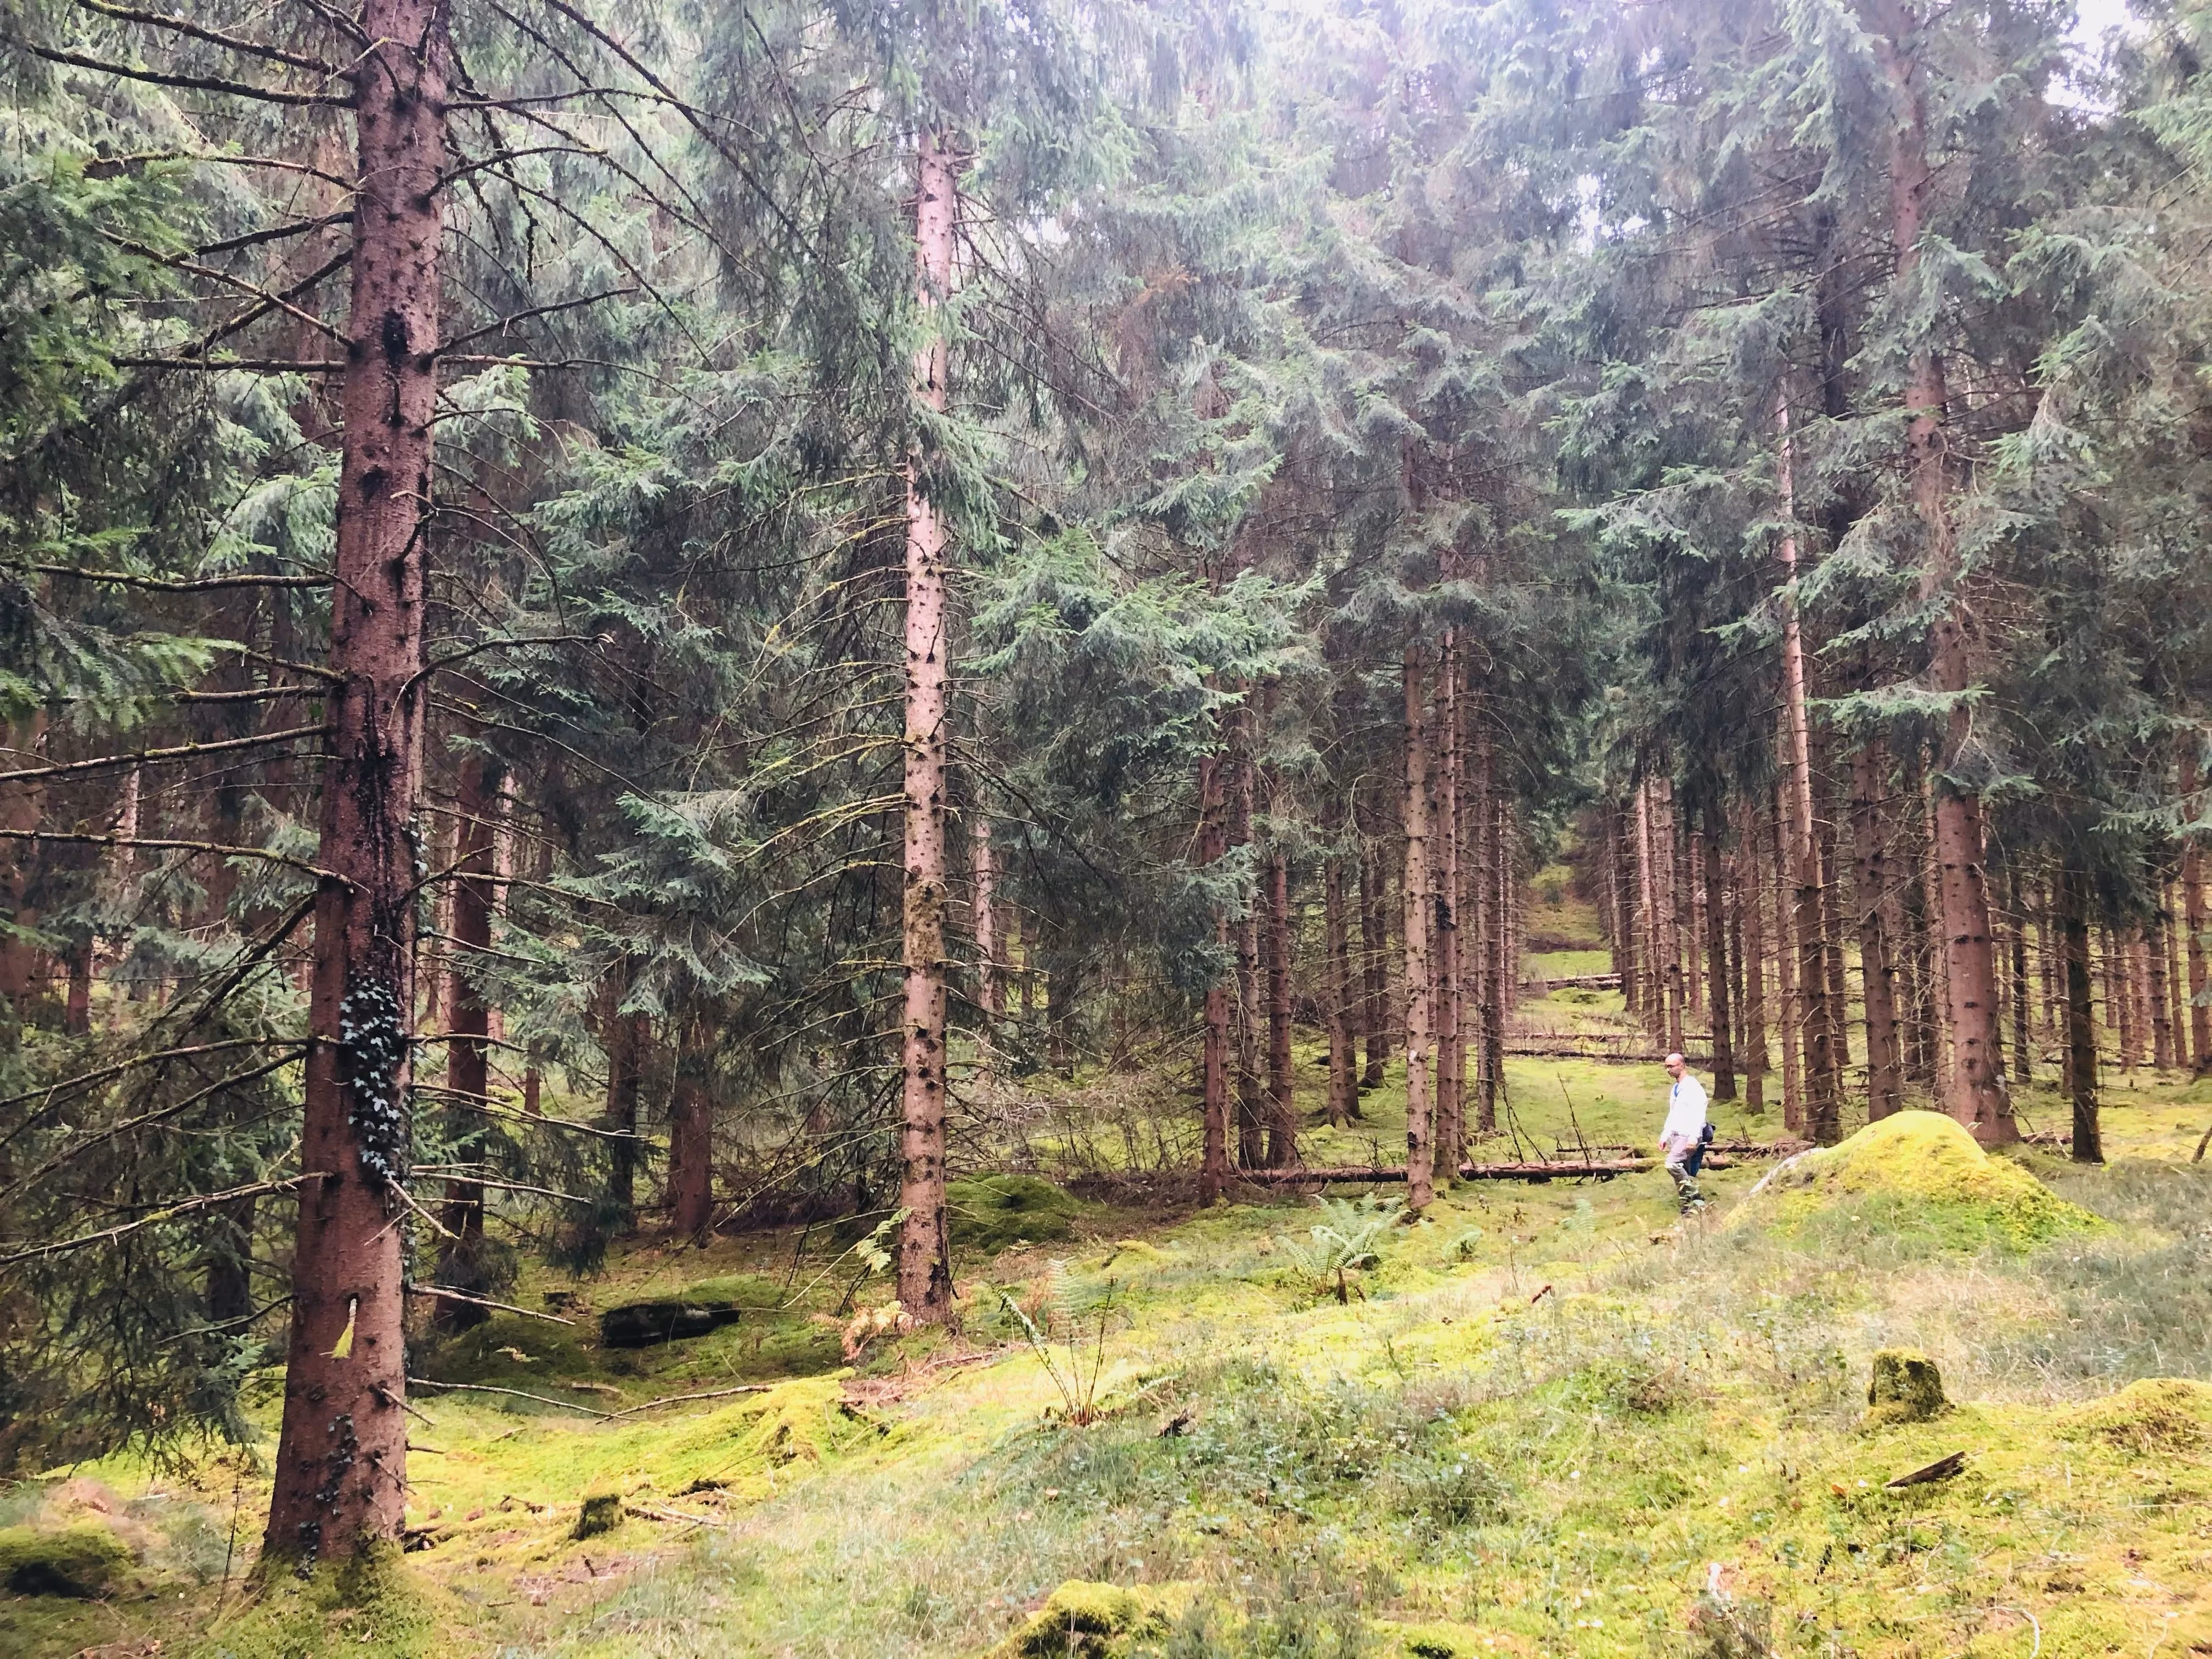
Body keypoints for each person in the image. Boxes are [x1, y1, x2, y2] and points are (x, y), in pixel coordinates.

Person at [1658, 1052, 1709, 1214]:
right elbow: (1673, 1113)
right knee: (1683, 1172)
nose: (1668, 1070)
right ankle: (1687, 1207)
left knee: (1672, 1164)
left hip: (1688, 1135)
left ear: (1682, 1065)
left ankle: (1696, 1197)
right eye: (1666, 1067)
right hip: (1676, 1134)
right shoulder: (1676, 1088)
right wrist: (1665, 1136)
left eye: (1671, 1066)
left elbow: (1699, 1114)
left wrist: (1694, 1138)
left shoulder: (1692, 1087)